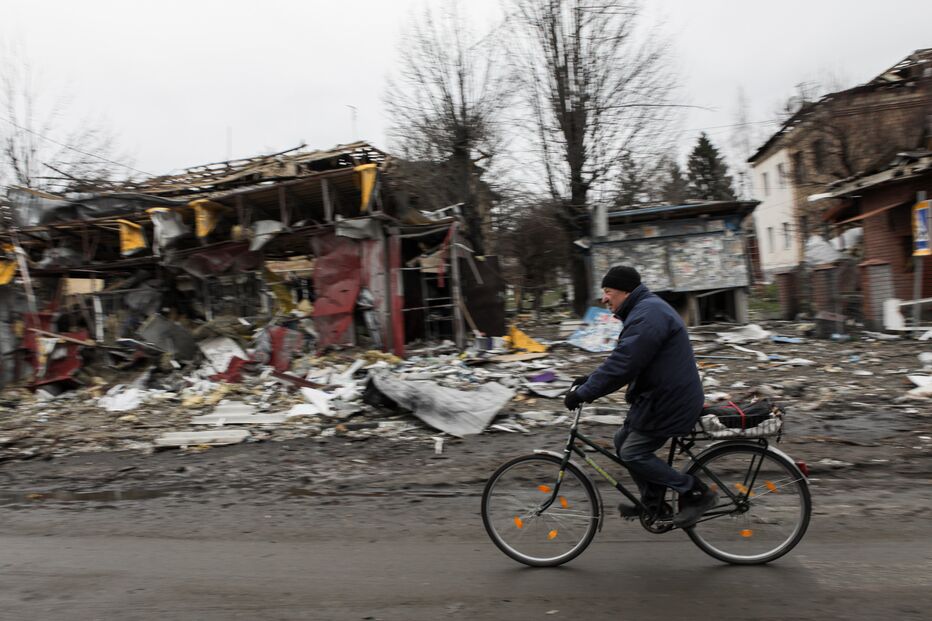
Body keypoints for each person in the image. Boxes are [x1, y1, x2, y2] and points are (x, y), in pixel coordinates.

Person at [563, 265, 716, 528]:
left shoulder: (648, 315)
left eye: (608, 291)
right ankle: (653, 501)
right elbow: (624, 358)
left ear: (625, 291)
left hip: (670, 402)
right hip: (659, 398)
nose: (604, 298)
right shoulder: (644, 311)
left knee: (633, 452)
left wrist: (585, 394)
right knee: (622, 440)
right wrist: (588, 380)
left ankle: (695, 492)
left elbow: (624, 364)